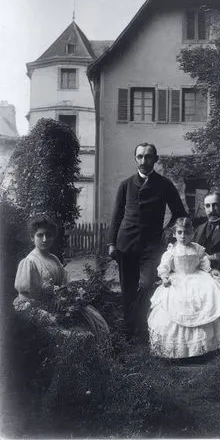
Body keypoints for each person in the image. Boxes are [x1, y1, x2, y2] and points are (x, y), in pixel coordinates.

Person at [108, 142, 187, 339]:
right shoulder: (126, 185)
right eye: (140, 156)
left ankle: (142, 325)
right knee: (127, 288)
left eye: (148, 156)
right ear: (135, 159)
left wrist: (166, 231)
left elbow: (180, 213)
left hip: (151, 247)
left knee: (146, 284)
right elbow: (117, 216)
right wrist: (111, 243)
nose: (144, 160)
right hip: (125, 244)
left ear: (155, 159)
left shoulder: (164, 184)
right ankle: (128, 330)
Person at [13, 214, 112, 352]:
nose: (45, 239)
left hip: (62, 307)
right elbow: (24, 299)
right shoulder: (29, 262)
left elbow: (65, 285)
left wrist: (66, 298)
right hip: (41, 311)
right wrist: (46, 311)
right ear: (32, 237)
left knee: (95, 324)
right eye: (40, 235)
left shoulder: (53, 259)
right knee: (74, 337)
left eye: (48, 234)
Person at [148, 217, 220, 359]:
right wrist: (164, 277)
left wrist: (210, 271)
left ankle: (205, 349)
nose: (183, 236)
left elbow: (204, 263)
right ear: (174, 234)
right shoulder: (172, 250)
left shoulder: (197, 249)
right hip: (178, 279)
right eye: (179, 232)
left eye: (186, 233)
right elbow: (164, 267)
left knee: (206, 298)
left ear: (192, 233)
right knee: (176, 302)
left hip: (197, 277)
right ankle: (177, 349)